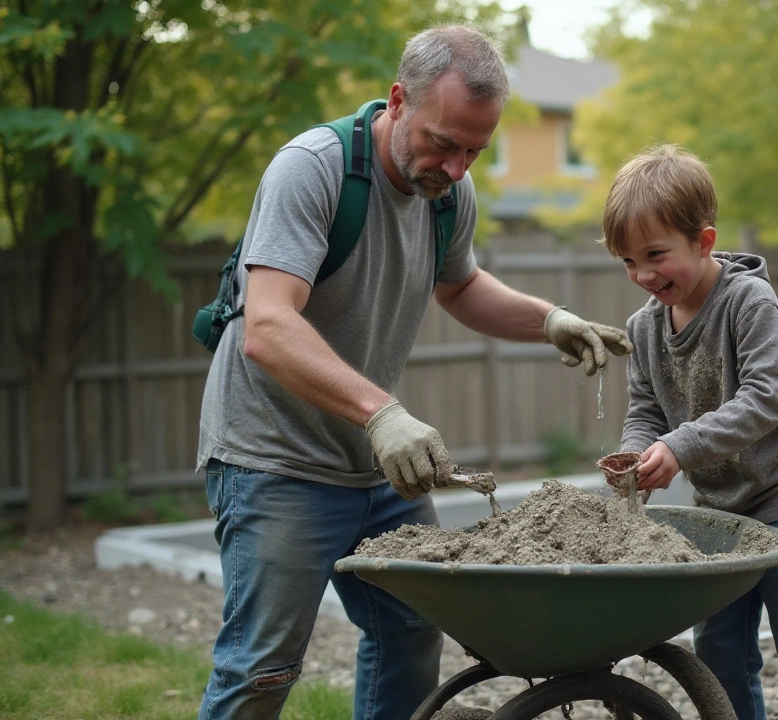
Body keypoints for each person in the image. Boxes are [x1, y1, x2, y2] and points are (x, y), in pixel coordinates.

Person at [195, 25, 630, 720]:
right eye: (444, 143)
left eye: (475, 151)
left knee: (409, 632)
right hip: (275, 459)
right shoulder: (314, 169)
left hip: (376, 469)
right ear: (398, 101)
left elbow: (460, 287)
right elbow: (267, 327)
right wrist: (382, 413)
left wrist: (549, 320)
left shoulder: (448, 195)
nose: (457, 167)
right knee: (263, 669)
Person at [600, 144, 778, 720]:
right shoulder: (643, 328)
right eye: (627, 262)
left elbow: (764, 399)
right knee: (720, 654)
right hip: (718, 516)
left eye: (655, 255)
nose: (643, 275)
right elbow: (646, 409)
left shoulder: (749, 301)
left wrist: (681, 446)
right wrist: (636, 455)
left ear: (704, 241)